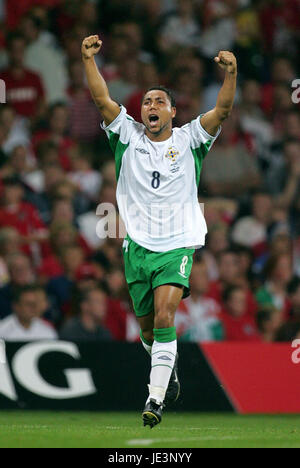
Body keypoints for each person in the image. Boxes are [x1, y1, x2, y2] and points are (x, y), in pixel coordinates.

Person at [82, 34, 237, 427]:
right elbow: (102, 100)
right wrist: (88, 60)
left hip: (178, 243)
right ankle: (167, 368)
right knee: (149, 329)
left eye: (159, 102)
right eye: (146, 101)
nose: (151, 106)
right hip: (137, 247)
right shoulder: (127, 134)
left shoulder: (190, 139)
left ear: (172, 112)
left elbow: (222, 108)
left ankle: (154, 399)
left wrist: (231, 73)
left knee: (167, 316)